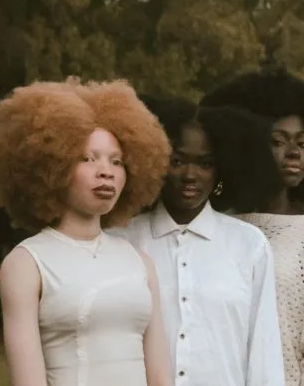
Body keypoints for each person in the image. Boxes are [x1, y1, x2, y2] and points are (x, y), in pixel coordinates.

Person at [0, 78, 172, 386]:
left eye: (117, 161)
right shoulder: (26, 262)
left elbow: (160, 373)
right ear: (53, 166)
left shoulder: (140, 263)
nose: (107, 171)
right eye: (88, 158)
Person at [111, 98, 285, 386]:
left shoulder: (248, 245)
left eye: (205, 163)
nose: (190, 176)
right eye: (177, 161)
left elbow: (264, 351)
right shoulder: (122, 241)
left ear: (221, 170)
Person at [202, 71, 304, 385]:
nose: (293, 153)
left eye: (303, 143)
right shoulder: (218, 227)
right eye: (278, 141)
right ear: (249, 145)